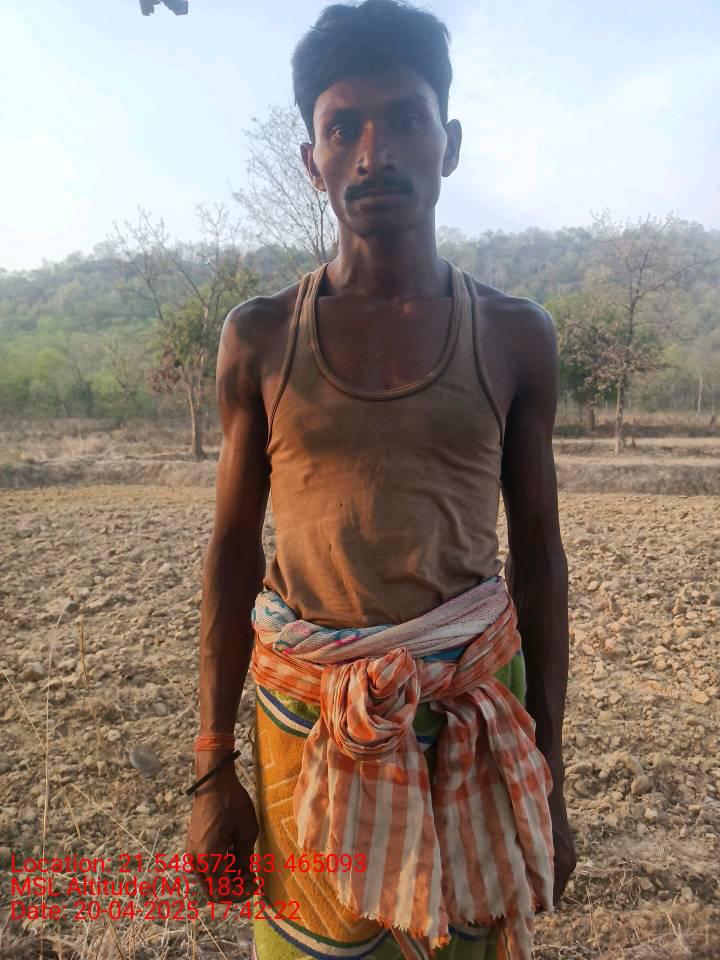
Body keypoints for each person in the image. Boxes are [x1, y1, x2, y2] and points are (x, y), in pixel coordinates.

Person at [185, 1, 577, 957]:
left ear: (449, 143)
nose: (374, 153)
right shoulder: (260, 337)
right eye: (342, 128)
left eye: (404, 119)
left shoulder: (515, 335)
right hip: (305, 721)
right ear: (311, 159)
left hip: (468, 717)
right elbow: (233, 553)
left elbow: (540, 559)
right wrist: (210, 766)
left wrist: (551, 773)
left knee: (464, 944)